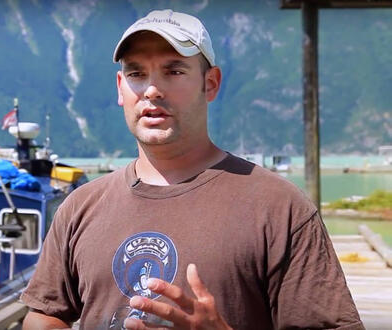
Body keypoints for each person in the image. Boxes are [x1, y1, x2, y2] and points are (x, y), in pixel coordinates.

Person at [21, 9, 364, 330]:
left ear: (210, 83)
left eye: (174, 71)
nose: (152, 90)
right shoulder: (80, 207)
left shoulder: (280, 207)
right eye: (137, 73)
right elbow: (44, 315)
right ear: (120, 89)